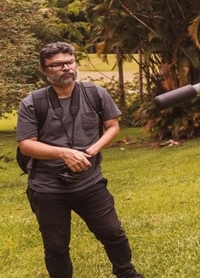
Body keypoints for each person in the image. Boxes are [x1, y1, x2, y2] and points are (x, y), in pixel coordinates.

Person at [16, 42, 144, 278]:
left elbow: (112, 126)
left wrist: (92, 149)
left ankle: (127, 274)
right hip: (47, 188)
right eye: (57, 65)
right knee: (56, 247)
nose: (65, 68)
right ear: (44, 70)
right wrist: (64, 153)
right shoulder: (33, 103)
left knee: (113, 233)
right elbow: (26, 145)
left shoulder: (95, 94)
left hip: (90, 184)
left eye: (69, 62)